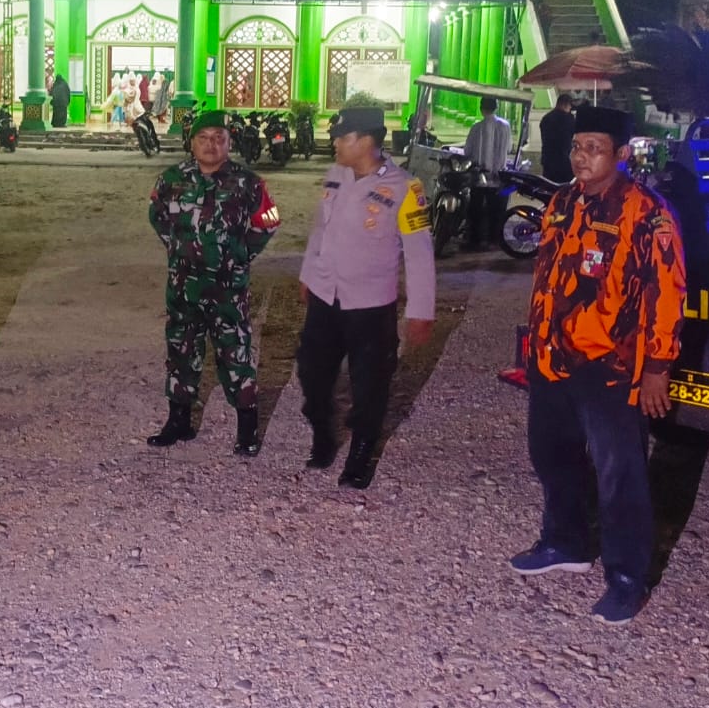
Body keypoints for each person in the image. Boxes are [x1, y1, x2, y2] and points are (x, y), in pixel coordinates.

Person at [514, 105, 686, 625]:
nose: (581, 157)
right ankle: (564, 542)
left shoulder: (647, 213)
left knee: (619, 475)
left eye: (594, 148)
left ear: (622, 153)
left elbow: (667, 293)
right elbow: (548, 277)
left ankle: (627, 580)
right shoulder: (563, 202)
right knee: (550, 455)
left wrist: (658, 366)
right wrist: (535, 344)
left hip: (612, 365)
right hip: (554, 358)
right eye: (576, 146)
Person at [297, 107, 436, 488]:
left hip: (371, 306)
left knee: (370, 384)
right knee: (312, 373)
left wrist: (421, 311)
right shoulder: (335, 174)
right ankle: (323, 435)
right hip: (326, 296)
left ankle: (360, 453)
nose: (335, 143)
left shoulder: (406, 188)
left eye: (343, 137)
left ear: (366, 141)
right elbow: (320, 231)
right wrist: (308, 274)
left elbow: (420, 253)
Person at [146, 109, 280, 455]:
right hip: (183, 287)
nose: (211, 145)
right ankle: (178, 421)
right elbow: (157, 217)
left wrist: (240, 254)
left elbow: (267, 220)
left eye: (219, 139)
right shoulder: (171, 179)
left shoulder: (248, 182)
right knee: (181, 350)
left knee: (235, 352)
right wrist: (179, 249)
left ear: (229, 143)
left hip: (227, 289)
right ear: (192, 143)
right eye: (204, 138)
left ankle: (247, 430)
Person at [463, 95, 512, 249]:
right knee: (496, 209)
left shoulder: (476, 127)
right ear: (496, 108)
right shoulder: (505, 126)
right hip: (498, 176)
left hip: (479, 176)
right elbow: (509, 148)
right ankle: (494, 240)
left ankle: (475, 241)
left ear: (481, 108)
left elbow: (467, 151)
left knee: (475, 208)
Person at [538, 93, 576, 184]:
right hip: (564, 162)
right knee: (564, 189)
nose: (570, 109)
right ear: (565, 104)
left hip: (548, 160)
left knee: (548, 187)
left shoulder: (546, 118)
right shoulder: (569, 119)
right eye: (570, 106)